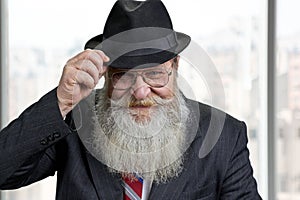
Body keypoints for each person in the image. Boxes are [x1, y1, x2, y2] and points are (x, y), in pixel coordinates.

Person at [0, 0, 262, 199]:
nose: (140, 92)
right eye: (123, 76)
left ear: (176, 66)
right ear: (105, 75)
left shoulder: (225, 136)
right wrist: (61, 102)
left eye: (155, 74)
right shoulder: (74, 123)